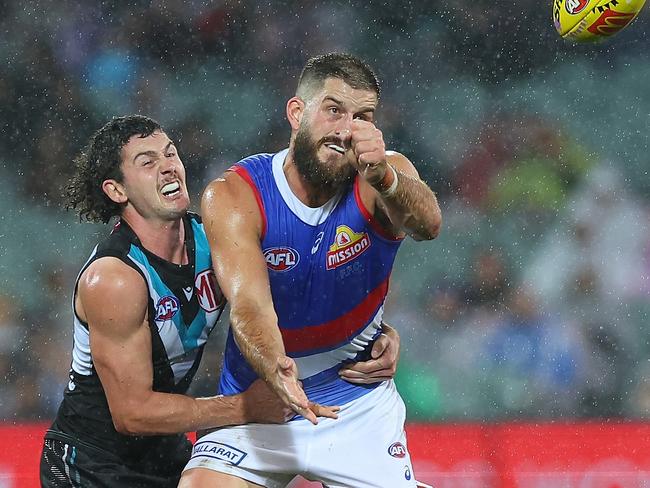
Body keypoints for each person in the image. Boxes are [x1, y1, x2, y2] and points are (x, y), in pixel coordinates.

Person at [39, 115, 400, 488]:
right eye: (148, 163)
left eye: (170, 154)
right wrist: (243, 408)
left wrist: (375, 333)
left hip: (165, 449)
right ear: (117, 191)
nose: (168, 168)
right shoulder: (115, 278)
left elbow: (299, 294)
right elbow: (131, 413)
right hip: (91, 462)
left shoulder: (214, 238)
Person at [180, 53, 441, 487]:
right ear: (296, 112)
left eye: (362, 117)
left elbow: (429, 225)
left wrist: (386, 179)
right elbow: (249, 307)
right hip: (261, 398)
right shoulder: (237, 193)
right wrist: (277, 370)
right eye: (334, 110)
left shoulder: (381, 178)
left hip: (355, 401)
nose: (345, 130)